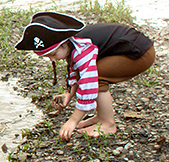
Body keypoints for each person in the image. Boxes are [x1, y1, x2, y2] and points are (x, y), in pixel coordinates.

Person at [15, 11, 155, 140]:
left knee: (97, 77)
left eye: (53, 54)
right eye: (47, 57)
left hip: (140, 54)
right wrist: (69, 93)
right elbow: (76, 70)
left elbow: (88, 85)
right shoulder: (72, 44)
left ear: (63, 44)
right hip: (128, 50)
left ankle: (108, 123)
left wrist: (73, 121)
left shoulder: (82, 49)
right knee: (93, 73)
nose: (52, 59)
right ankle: (101, 116)